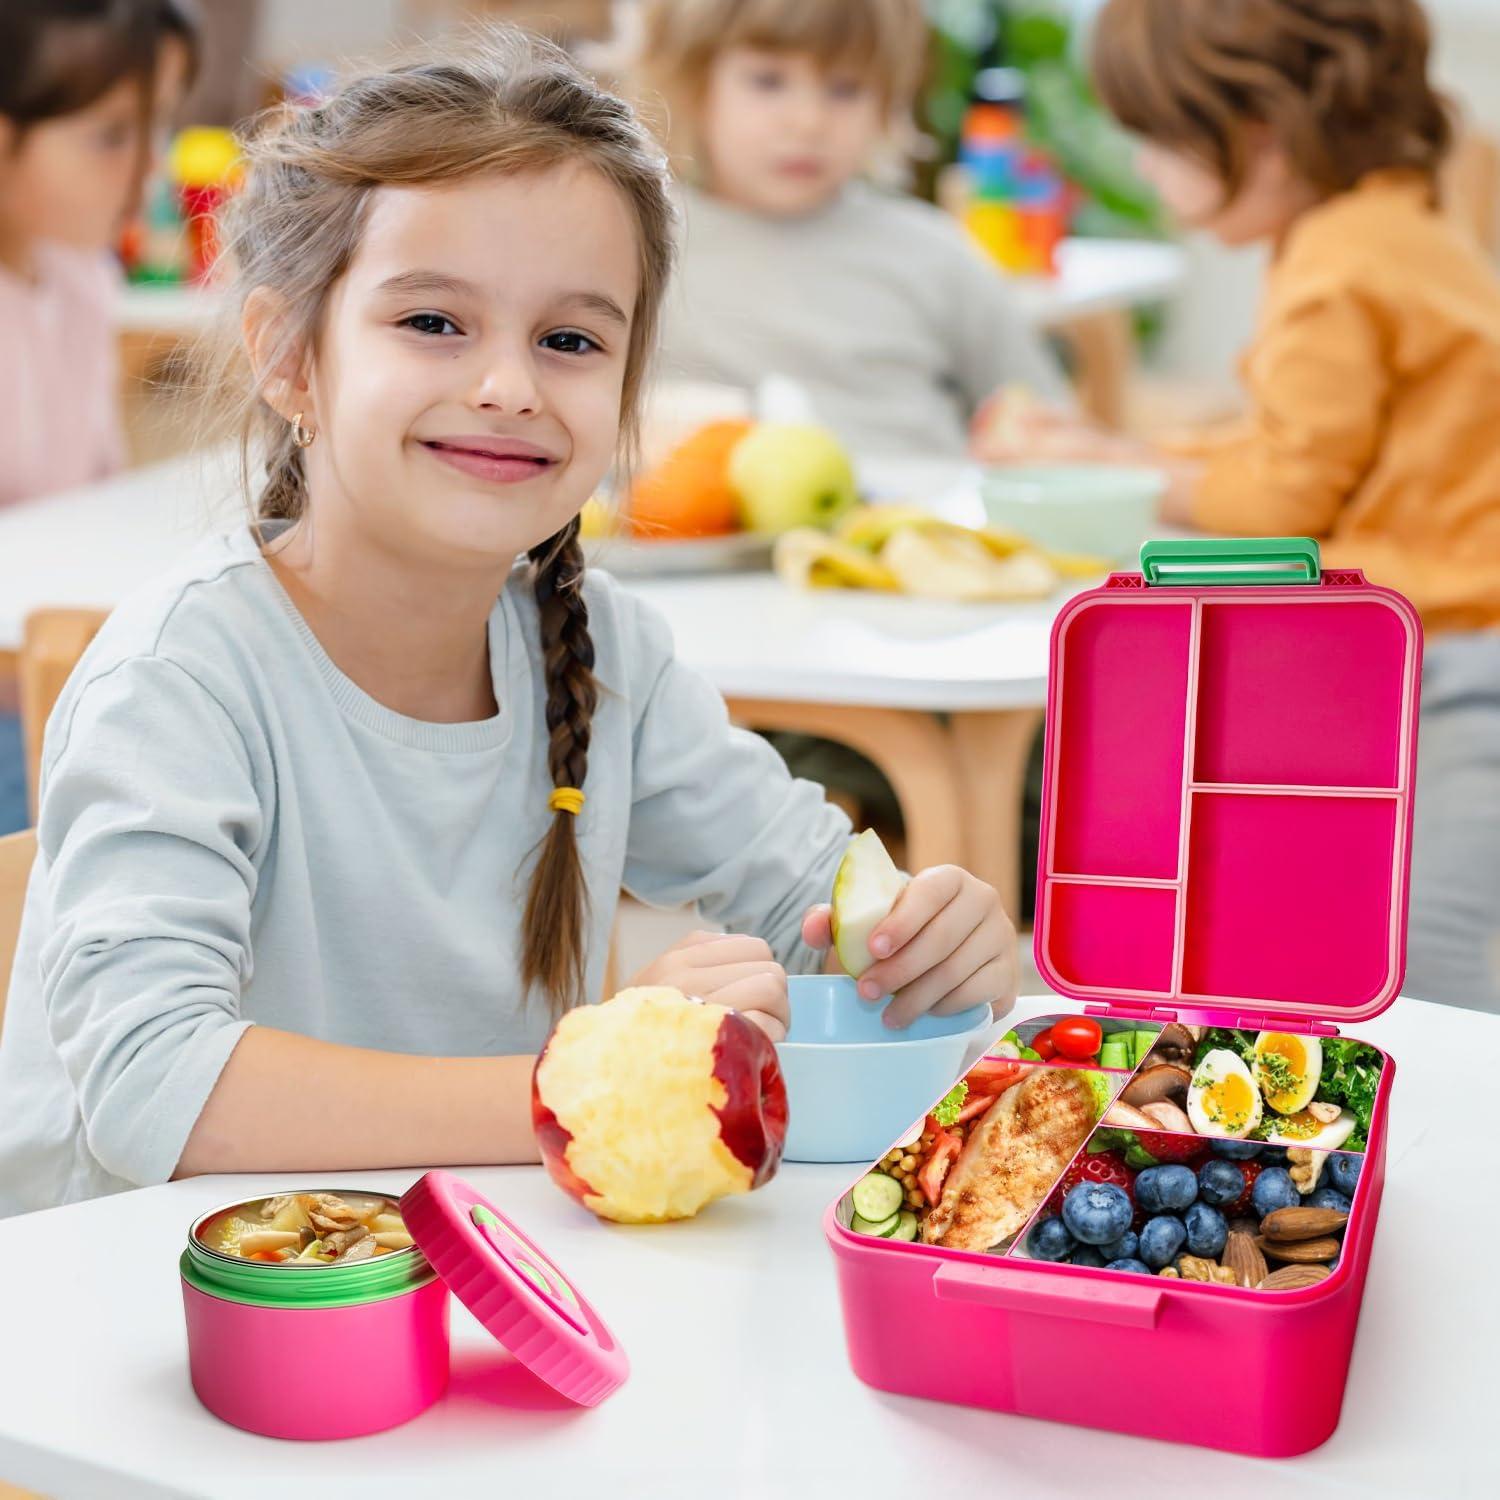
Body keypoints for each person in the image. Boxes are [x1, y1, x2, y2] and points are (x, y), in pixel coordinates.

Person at [0, 31, 1017, 1217]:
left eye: (571, 341)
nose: (509, 386)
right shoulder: (182, 679)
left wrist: (933, 937)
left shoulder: (603, 650)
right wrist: (589, 1081)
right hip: (141, 1320)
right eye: (433, 322)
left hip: (453, 1277)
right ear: (288, 357)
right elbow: (152, 1087)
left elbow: (817, 904)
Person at [982, 0, 1500, 1012]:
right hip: (1433, 629)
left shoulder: (1336, 274)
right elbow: (1306, 440)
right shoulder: (1383, 221)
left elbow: (1282, 493)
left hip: (1453, 648)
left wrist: (1126, 463)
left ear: (1258, 134)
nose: (1149, 174)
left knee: (1416, 954)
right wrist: (1127, 449)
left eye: (1161, 143)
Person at [637, 0, 1071, 461]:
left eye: (845, 89)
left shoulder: (932, 252)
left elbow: (1046, 423)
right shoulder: (642, 245)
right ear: (693, 82)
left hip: (918, 524)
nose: (808, 122)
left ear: (887, 102)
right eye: (768, 81)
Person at [0, 0, 198, 838]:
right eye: (111, 136)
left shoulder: (75, 279)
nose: (146, 173)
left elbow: (89, 503)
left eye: (157, 133)